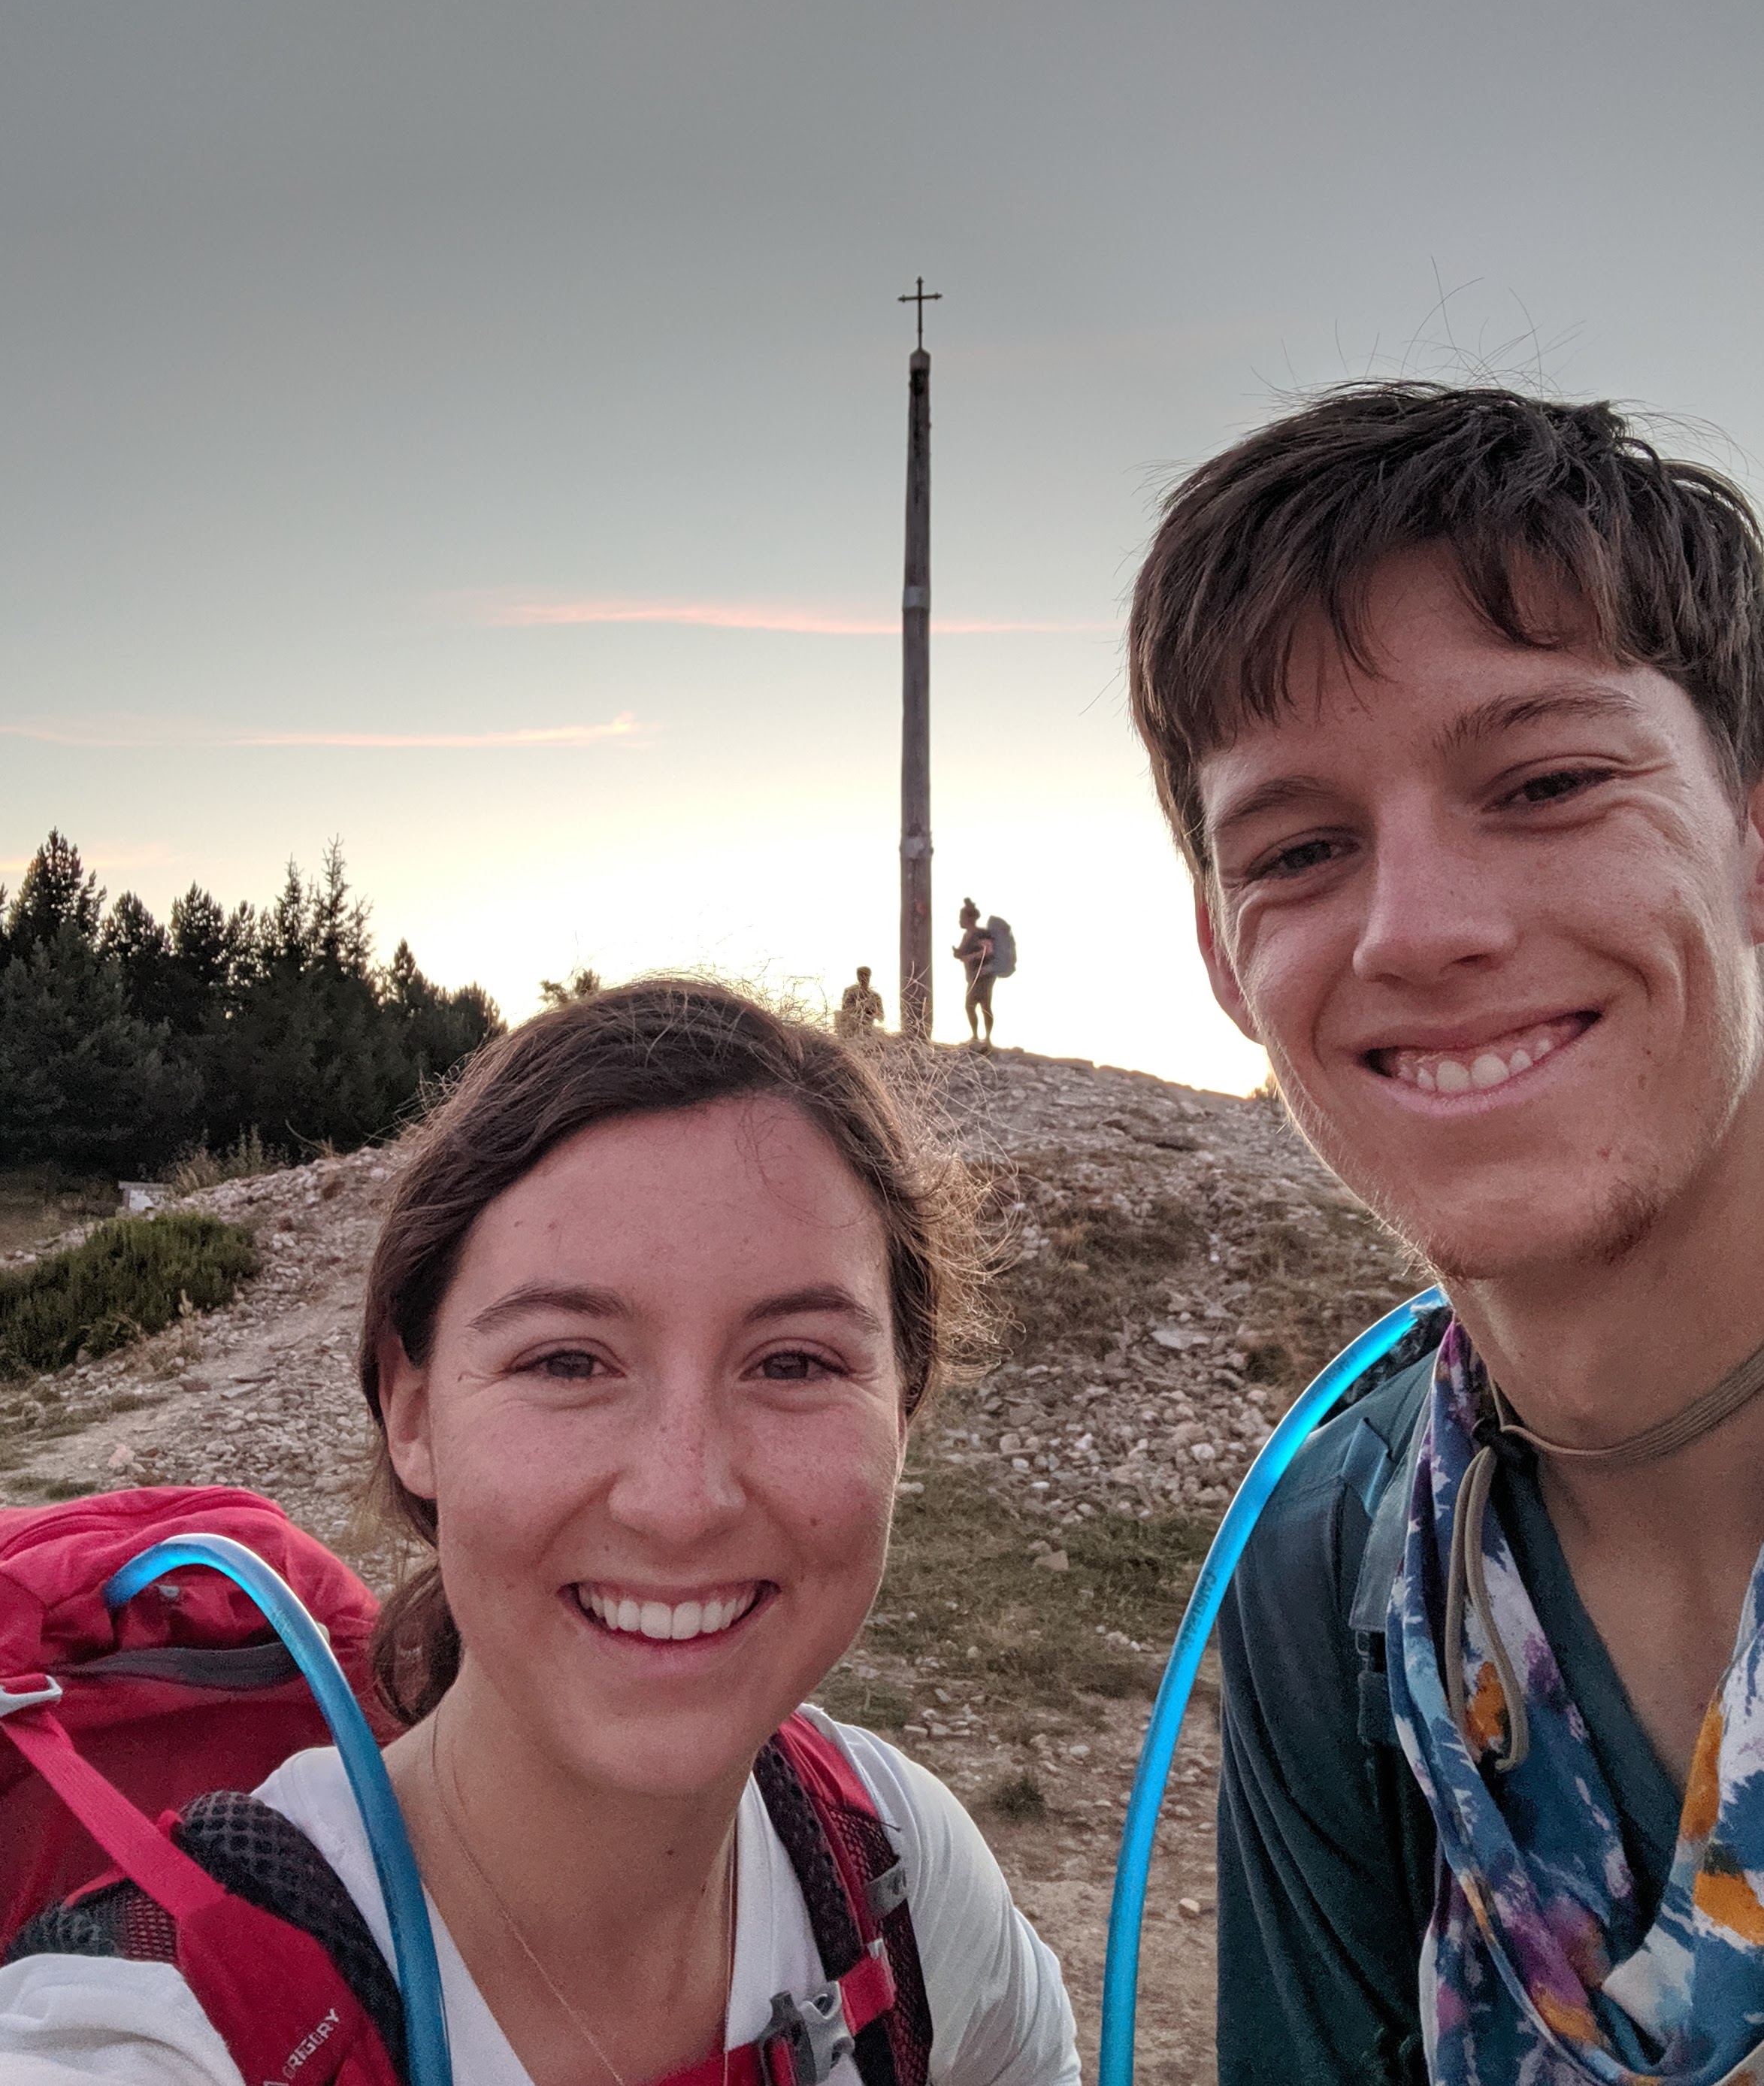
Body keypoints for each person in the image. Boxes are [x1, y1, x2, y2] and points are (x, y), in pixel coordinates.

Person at [0, 979, 1079, 2086]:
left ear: (902, 1414)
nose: (681, 1498)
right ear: (411, 1413)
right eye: (567, 1361)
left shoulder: (895, 1863)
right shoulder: (146, 2032)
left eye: (794, 1362)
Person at [1126, 384, 1764, 2084]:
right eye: (1303, 848)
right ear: (1220, 955)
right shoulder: (1333, 1574)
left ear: (1753, 829)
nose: (1417, 930)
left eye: (1546, 781)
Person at [952, 903, 995, 1047]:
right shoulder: (967, 936)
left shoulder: (981, 934)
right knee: (971, 1006)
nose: (960, 920)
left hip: (984, 975)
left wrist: (971, 957)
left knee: (983, 1005)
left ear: (969, 919)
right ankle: (976, 1036)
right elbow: (964, 953)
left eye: (962, 917)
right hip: (973, 976)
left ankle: (986, 1038)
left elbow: (988, 950)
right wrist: (959, 954)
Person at [835, 965, 885, 1042]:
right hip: (850, 1032)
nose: (863, 978)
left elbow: (881, 1017)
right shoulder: (850, 992)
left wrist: (871, 1011)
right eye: (861, 975)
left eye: (865, 975)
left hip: (867, 1032)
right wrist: (862, 1007)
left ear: (869, 976)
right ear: (857, 976)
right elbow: (845, 1010)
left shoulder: (875, 996)